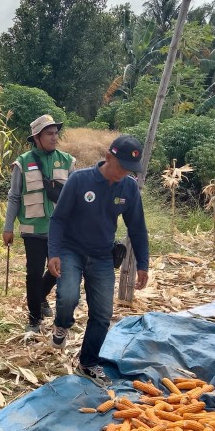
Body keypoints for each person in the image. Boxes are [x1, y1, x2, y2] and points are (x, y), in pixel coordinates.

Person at [47, 135, 150, 386]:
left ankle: (88, 362)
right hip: (72, 250)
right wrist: (54, 252)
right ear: (108, 157)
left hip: (103, 255)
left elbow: (137, 228)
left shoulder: (128, 188)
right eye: (121, 166)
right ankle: (62, 324)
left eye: (130, 169)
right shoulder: (79, 180)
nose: (125, 172)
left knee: (103, 313)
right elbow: (58, 219)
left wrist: (143, 264)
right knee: (68, 297)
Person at [3, 115, 74, 333]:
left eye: (55, 133)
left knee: (56, 270)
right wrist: (8, 227)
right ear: (37, 137)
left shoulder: (67, 161)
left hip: (59, 230)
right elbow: (14, 197)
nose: (54, 138)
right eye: (49, 134)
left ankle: (41, 296)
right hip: (32, 229)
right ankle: (34, 319)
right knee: (33, 273)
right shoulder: (22, 163)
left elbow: (74, 198)